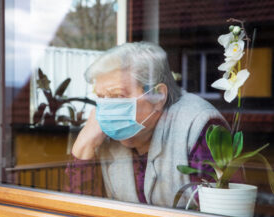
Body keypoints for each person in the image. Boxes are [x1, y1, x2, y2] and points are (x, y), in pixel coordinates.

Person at [66, 41, 227, 207]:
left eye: (118, 96)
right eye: (101, 97)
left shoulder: (198, 125)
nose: (106, 109)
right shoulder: (103, 134)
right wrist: (83, 146)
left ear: (158, 96)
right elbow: (85, 215)